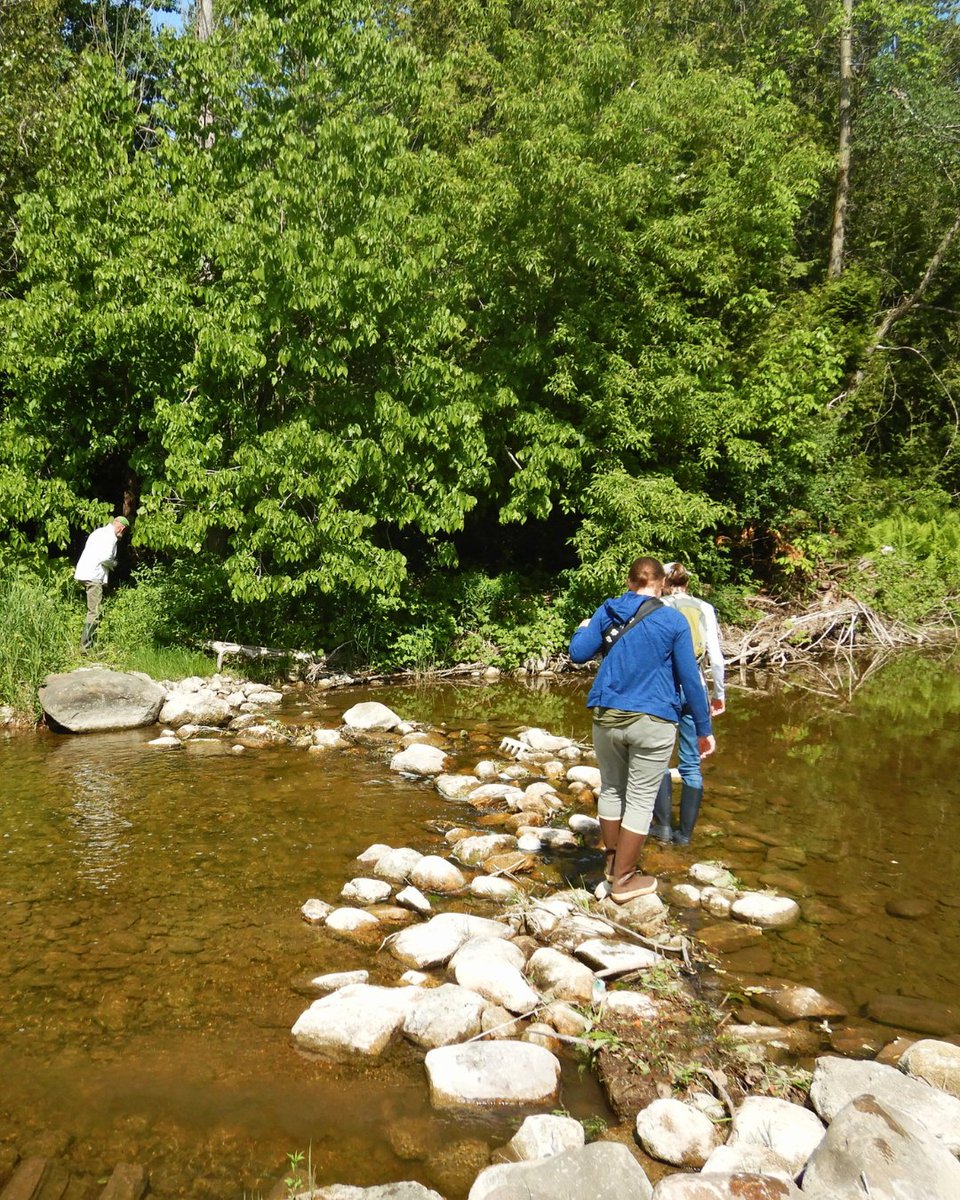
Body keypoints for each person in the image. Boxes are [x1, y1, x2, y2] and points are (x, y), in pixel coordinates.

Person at [568, 556, 715, 903]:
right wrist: (703, 728)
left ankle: (610, 867)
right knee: (640, 798)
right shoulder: (673, 620)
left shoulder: (607, 609)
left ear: (629, 580)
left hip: (607, 715)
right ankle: (624, 879)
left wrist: (582, 627)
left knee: (613, 790)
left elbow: (578, 653)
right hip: (653, 719)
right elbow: (689, 680)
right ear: (661, 583)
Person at [649, 561, 725, 846]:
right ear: (687, 582)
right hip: (697, 690)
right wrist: (719, 694)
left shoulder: (659, 608)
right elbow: (716, 659)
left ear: (663, 583)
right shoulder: (705, 608)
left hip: (665, 691)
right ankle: (686, 835)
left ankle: (664, 828)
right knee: (691, 766)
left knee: (659, 759)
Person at [74, 516, 129, 650]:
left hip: (84, 572)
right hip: (94, 576)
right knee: (95, 612)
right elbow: (105, 557)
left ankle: (87, 644)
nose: (122, 533)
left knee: (92, 609)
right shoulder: (111, 536)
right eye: (124, 531)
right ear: (121, 527)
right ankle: (85, 648)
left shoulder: (98, 532)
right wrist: (114, 564)